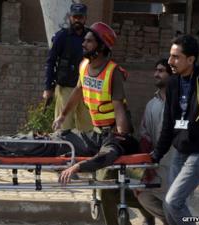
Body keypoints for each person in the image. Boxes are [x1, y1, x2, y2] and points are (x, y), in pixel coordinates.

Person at [54, 22, 153, 225]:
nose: (84, 43)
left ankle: (149, 208)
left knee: (107, 188)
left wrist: (121, 137)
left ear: (101, 46)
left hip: (114, 134)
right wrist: (63, 116)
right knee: (107, 188)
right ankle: (146, 208)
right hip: (97, 133)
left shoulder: (112, 72)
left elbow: (118, 107)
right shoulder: (84, 66)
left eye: (89, 41)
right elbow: (77, 92)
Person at [150, 35, 199, 225]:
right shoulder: (173, 83)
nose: (170, 62)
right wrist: (156, 154)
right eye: (170, 56)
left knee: (173, 202)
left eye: (176, 57)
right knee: (170, 205)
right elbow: (168, 124)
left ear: (191, 59)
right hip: (181, 150)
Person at [43, 3, 93, 132]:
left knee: (88, 130)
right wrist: (48, 88)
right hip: (66, 88)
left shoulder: (91, 37)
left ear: (85, 18)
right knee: (63, 128)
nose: (77, 20)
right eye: (75, 17)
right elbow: (51, 62)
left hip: (85, 89)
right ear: (70, 17)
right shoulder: (62, 36)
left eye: (80, 17)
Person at [137, 59, 173, 225]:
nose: (156, 74)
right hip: (156, 164)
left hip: (177, 166)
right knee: (140, 192)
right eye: (156, 70)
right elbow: (145, 135)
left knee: (175, 203)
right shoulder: (152, 105)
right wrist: (145, 165)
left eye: (161, 71)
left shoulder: (182, 103)